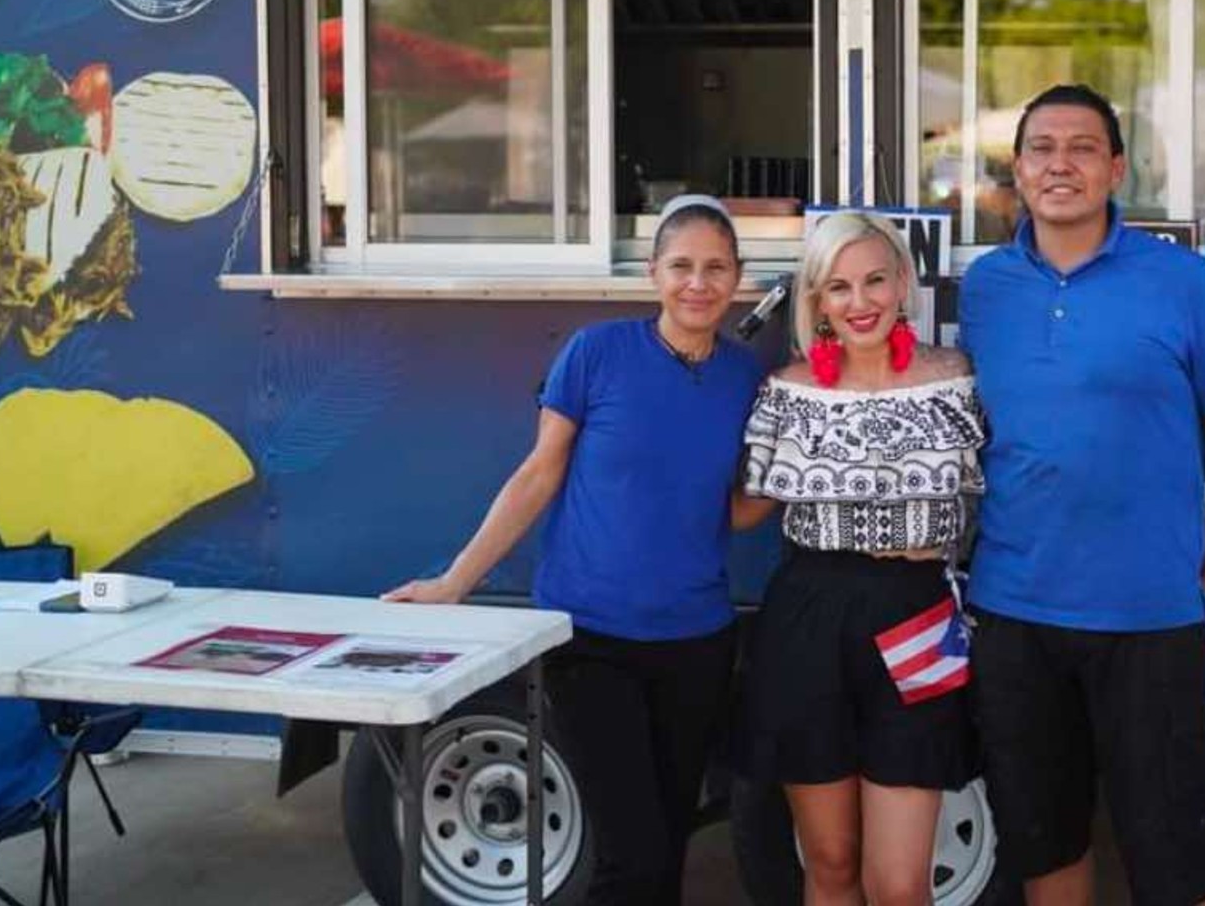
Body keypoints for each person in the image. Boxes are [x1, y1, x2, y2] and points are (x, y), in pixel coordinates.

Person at [383, 195, 766, 906]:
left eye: (716, 268)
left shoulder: (746, 379)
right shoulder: (596, 353)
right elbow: (538, 475)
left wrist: (810, 482)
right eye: (681, 266)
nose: (698, 283)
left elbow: (738, 513)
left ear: (737, 278)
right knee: (633, 855)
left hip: (697, 641)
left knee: (667, 847)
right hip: (590, 638)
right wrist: (454, 582)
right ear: (653, 273)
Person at [958, 84, 1205, 906]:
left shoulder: (1181, 282)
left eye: (1082, 147)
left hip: (1149, 622)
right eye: (1041, 148)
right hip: (1014, 616)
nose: (1060, 164)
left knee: (1177, 864)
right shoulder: (986, 288)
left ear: (1116, 169)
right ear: (1017, 169)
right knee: (1047, 849)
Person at [732, 210, 982, 906]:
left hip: (918, 611)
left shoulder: (956, 379)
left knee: (900, 884)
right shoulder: (785, 393)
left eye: (875, 280)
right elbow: (739, 509)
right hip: (808, 620)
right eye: (838, 287)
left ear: (903, 282)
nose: (860, 301)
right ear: (816, 300)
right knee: (832, 864)